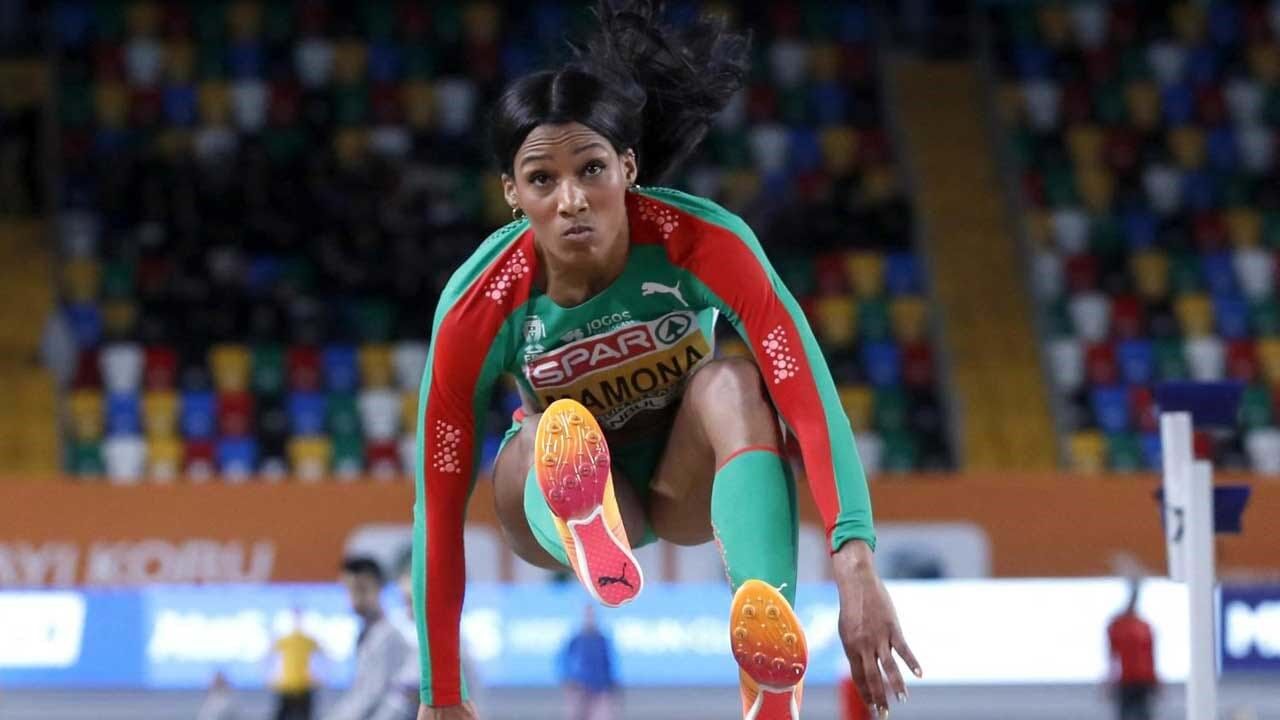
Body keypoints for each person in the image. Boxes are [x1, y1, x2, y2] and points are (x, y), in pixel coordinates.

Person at [411, 3, 920, 718]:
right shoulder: (480, 301)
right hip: (550, 505)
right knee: (542, 433)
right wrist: (441, 694)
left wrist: (855, 558)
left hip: (686, 485)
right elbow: (438, 503)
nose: (571, 200)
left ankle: (770, 665)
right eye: (542, 180)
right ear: (511, 193)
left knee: (733, 379)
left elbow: (808, 396)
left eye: (591, 169)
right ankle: (587, 520)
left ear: (627, 168)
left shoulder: (702, 243)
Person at [325, 557, 411, 720]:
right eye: (349, 590)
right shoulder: (366, 634)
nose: (355, 598)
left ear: (380, 588)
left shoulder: (390, 637)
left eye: (361, 589)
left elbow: (373, 698)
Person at [1107, 578, 1157, 720]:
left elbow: (1150, 655)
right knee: (1125, 713)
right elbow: (1111, 654)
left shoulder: (1144, 627)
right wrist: (1110, 679)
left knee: (1144, 713)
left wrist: (1155, 680)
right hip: (1126, 680)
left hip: (1143, 680)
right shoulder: (1118, 625)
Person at [557, 606, 618, 720]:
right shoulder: (577, 639)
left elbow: (608, 663)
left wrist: (612, 685)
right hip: (580, 687)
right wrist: (568, 680)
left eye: (592, 615)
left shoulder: (602, 640)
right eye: (587, 615)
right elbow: (564, 661)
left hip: (600, 687)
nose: (590, 618)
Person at [268, 606, 323, 720]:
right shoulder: (284, 640)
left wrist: (320, 676)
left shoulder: (308, 640)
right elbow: (269, 657)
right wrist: (270, 676)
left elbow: (322, 658)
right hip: (287, 686)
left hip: (304, 686)